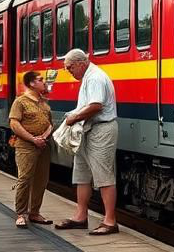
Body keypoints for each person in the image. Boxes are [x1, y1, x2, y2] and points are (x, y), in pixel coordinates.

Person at [55, 49, 119, 235]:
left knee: (103, 175)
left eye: (70, 68)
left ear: (80, 63)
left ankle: (110, 221)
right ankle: (80, 216)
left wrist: (73, 118)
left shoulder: (95, 78)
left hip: (101, 129)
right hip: (88, 130)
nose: (69, 72)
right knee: (81, 174)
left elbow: (96, 105)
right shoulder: (88, 78)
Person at [9, 71, 54, 229]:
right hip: (26, 146)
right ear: (32, 83)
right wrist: (32, 139)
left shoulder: (43, 102)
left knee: (41, 179)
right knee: (25, 178)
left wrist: (45, 136)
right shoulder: (20, 102)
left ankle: (34, 212)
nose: (44, 82)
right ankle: (20, 213)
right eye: (40, 80)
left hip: (43, 145)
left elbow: (49, 123)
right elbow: (14, 124)